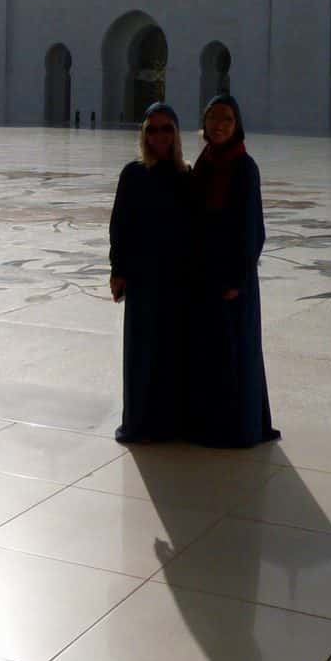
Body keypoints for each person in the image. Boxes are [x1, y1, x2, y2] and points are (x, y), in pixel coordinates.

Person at [188, 94, 280, 447]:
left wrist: (236, 278)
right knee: (209, 349)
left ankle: (238, 428)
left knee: (235, 350)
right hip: (204, 272)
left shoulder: (244, 166)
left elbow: (253, 230)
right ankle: (209, 423)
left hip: (232, 277)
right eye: (213, 118)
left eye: (226, 119)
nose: (219, 125)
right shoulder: (205, 161)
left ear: (237, 125)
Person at [109, 101, 191, 443]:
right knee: (142, 350)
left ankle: (172, 422)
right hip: (143, 277)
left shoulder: (186, 175)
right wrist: (118, 270)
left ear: (176, 133)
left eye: (167, 128)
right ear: (144, 134)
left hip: (177, 278)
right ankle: (141, 422)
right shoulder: (133, 173)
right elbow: (120, 225)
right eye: (153, 129)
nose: (160, 136)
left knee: (173, 350)